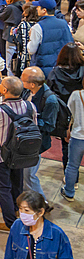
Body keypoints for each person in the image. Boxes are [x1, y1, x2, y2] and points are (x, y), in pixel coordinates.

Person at [0, 76, 38, 232]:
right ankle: (16, 211)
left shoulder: (0, 110)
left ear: (4, 90)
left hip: (0, 155)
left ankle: (10, 223)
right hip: (20, 154)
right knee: (16, 185)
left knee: (2, 188)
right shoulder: (30, 106)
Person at [20, 67, 60, 197]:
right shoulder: (28, 92)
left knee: (29, 175)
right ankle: (26, 198)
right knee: (23, 173)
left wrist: (30, 120)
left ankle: (41, 202)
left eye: (23, 80)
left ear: (32, 84)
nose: (20, 82)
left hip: (36, 143)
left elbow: (49, 126)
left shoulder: (50, 100)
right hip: (24, 139)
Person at [47, 43, 84, 175]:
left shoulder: (55, 73)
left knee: (66, 145)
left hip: (64, 113)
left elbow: (49, 94)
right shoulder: (82, 70)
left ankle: (69, 175)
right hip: (81, 110)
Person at [28, 0, 75, 77]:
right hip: (61, 68)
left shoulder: (37, 27)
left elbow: (31, 50)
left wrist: (29, 38)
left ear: (44, 10)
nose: (37, 9)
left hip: (43, 70)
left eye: (38, 7)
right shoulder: (64, 24)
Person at [61, 85, 84, 202]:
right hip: (77, 136)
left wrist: (67, 130)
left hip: (78, 136)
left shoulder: (76, 94)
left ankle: (69, 192)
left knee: (72, 165)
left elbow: (68, 114)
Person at [0, 0, 25, 71]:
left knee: (10, 63)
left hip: (11, 36)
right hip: (20, 35)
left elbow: (0, 16)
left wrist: (3, 6)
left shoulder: (10, 8)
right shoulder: (23, 5)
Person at [10, 4, 40, 77]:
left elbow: (19, 41)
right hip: (36, 56)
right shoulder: (39, 24)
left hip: (24, 55)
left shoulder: (23, 24)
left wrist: (12, 34)